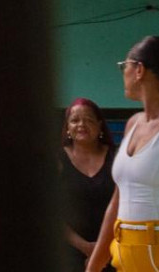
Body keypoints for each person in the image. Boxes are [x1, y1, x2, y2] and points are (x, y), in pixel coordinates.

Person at [87, 37, 159, 272]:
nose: (123, 73)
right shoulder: (132, 124)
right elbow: (117, 200)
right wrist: (94, 266)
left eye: (125, 66)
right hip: (127, 255)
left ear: (139, 69)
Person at [61, 98, 115, 269]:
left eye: (89, 119)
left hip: (114, 249)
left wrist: (102, 249)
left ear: (100, 125)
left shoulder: (117, 158)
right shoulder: (56, 160)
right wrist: (86, 248)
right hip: (68, 252)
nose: (81, 124)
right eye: (75, 120)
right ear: (67, 127)